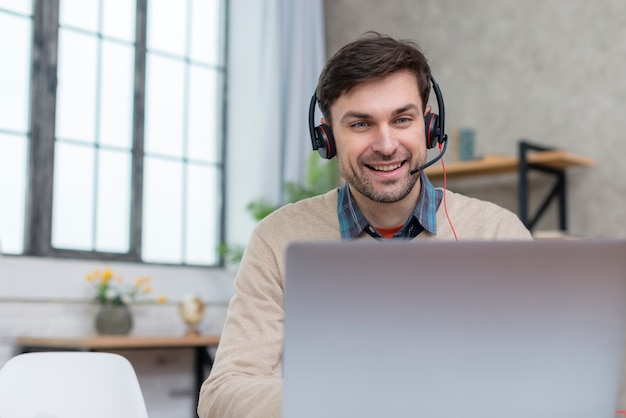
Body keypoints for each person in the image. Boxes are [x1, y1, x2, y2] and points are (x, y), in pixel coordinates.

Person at [197, 32, 532, 418]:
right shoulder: (278, 240)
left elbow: (542, 375)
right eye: (361, 124)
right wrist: (343, 398)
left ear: (429, 126)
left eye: (402, 119)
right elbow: (222, 394)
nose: (386, 144)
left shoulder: (498, 233)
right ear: (327, 137)